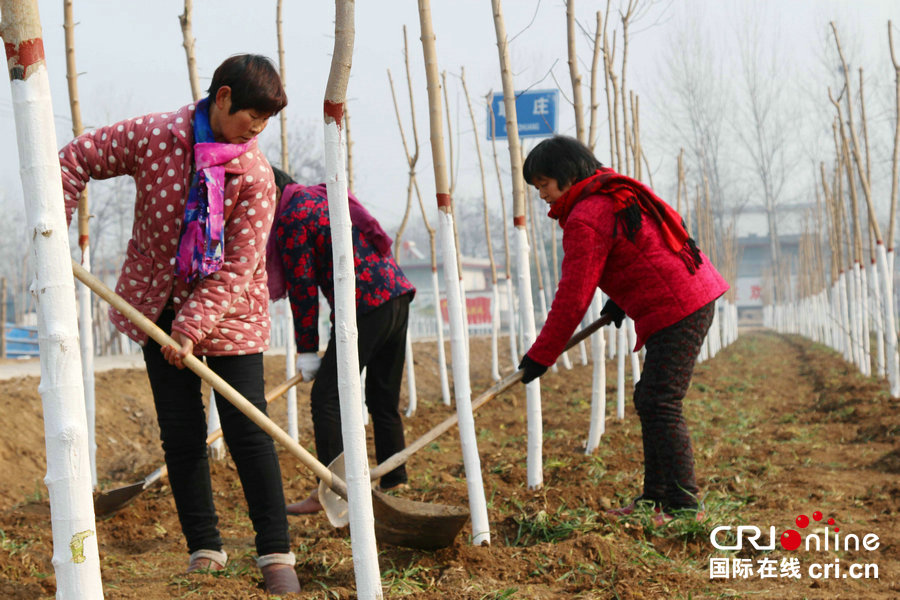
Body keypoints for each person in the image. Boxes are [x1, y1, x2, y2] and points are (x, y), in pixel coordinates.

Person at [59, 55, 301, 595]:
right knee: (181, 434)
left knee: (248, 430)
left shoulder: (255, 174)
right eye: (251, 117)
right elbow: (77, 157)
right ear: (222, 98)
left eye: (266, 122)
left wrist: (192, 327)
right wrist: (57, 222)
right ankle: (206, 547)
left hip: (230, 315)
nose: (257, 131)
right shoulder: (154, 135)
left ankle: (275, 553)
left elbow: (239, 266)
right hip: (155, 303)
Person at [518, 135, 729, 523]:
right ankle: (656, 498)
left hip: (679, 306)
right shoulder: (609, 194)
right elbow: (642, 247)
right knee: (651, 398)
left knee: (660, 402)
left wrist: (541, 354)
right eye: (536, 188)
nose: (542, 195)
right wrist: (620, 298)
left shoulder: (586, 215)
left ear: (566, 175)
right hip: (687, 296)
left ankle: (684, 507)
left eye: (544, 184)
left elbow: (572, 296)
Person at [266, 168, 415, 515]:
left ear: (271, 191)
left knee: (326, 398)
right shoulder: (320, 196)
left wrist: (306, 350)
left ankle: (333, 494)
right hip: (397, 294)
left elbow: (302, 288)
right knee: (382, 398)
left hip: (365, 304)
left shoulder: (291, 217)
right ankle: (396, 481)